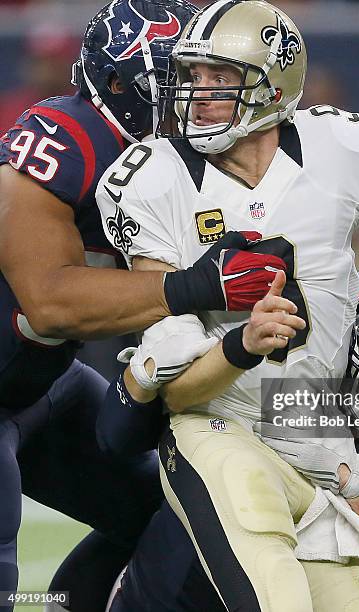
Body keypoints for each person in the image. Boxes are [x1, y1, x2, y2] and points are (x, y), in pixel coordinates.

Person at [95, 1, 359, 609]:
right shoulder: (153, 178)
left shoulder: (339, 145)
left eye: (220, 78)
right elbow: (175, 388)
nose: (198, 93)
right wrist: (239, 344)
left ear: (272, 83)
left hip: (315, 421)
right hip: (222, 421)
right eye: (193, 76)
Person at [0, 1, 284, 609]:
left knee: (180, 516)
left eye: (207, 79)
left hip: (39, 385)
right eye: (179, 80)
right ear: (119, 85)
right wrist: (199, 285)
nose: (197, 98)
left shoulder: (190, 163)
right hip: (21, 375)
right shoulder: (65, 138)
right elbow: (48, 301)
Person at [98, 254, 359, 610]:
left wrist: (354, 481)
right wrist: (150, 377)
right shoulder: (298, 354)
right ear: (354, 334)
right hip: (180, 582)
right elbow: (125, 432)